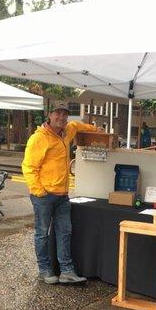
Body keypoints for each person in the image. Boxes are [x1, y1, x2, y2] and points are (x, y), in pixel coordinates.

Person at [22, 108, 98, 285]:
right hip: (44, 196)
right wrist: (39, 191)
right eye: (57, 114)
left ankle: (66, 271)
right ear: (49, 115)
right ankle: (44, 270)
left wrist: (94, 129)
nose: (61, 118)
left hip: (63, 196)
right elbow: (28, 167)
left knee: (64, 232)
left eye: (64, 114)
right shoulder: (39, 138)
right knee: (42, 234)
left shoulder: (67, 131)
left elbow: (77, 125)